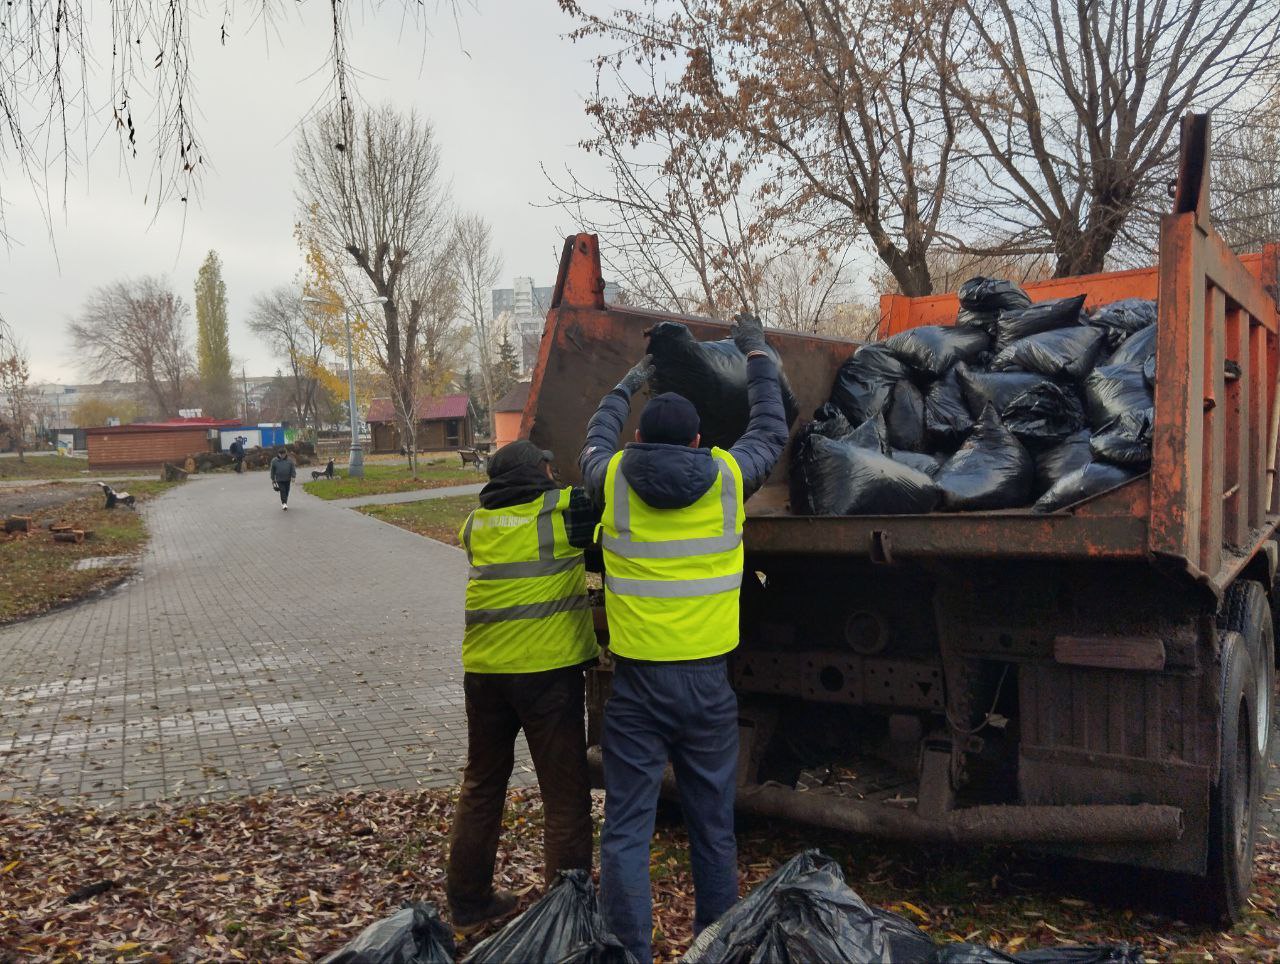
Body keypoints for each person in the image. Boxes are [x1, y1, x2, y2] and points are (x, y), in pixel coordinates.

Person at [579, 313, 787, 963]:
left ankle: (631, 956)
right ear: (699, 440)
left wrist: (626, 384)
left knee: (626, 834)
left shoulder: (613, 478)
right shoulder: (727, 477)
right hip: (707, 690)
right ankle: (714, 951)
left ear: (640, 437)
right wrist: (756, 352)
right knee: (713, 830)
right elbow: (770, 428)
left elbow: (595, 436)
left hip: (637, 689)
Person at [446, 439, 602, 933]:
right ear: (540, 470)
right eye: (551, 468)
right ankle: (567, 913)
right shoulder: (563, 509)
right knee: (564, 793)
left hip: (485, 674)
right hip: (547, 673)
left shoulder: (476, 523)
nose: (556, 476)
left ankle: (469, 902)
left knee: (482, 784)